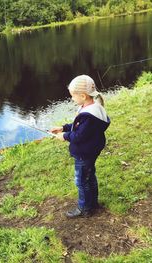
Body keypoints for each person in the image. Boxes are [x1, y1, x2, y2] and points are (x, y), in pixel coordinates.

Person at [50, 75, 110, 218]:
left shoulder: (88, 115)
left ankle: (84, 208)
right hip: (91, 150)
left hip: (85, 153)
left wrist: (64, 137)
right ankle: (93, 203)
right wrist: (63, 128)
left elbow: (79, 136)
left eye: (73, 96)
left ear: (83, 95)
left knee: (82, 180)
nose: (72, 99)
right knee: (90, 176)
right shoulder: (92, 107)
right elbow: (79, 127)